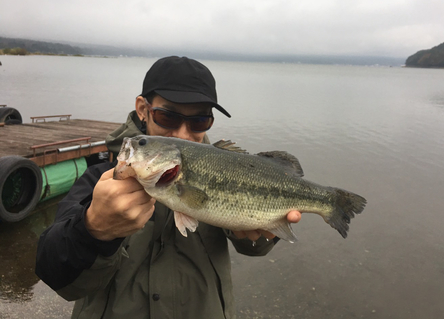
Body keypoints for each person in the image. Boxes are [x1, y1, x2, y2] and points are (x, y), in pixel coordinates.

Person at [36, 56, 301, 319]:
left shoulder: (225, 173)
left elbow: (253, 248)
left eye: (199, 121)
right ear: (143, 109)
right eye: (168, 117)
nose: (183, 134)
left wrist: (264, 228)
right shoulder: (100, 180)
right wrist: (93, 229)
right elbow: (55, 275)